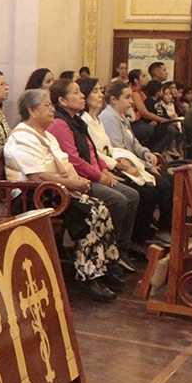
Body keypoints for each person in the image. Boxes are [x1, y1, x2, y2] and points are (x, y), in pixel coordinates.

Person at [4, 89, 125, 300]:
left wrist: (77, 181)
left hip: (54, 191)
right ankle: (86, 276)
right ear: (32, 110)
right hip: (33, 197)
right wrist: (71, 184)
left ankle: (102, 267)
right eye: (47, 105)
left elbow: (64, 164)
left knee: (101, 208)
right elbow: (37, 177)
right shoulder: (22, 136)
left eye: (52, 105)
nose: (52, 109)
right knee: (89, 213)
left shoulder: (47, 134)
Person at [46, 79, 140, 266]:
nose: (82, 96)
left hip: (92, 173)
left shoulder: (76, 121)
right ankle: (106, 253)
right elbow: (74, 160)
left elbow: (93, 151)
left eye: (81, 92)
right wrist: (99, 176)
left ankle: (120, 248)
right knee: (118, 199)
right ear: (62, 101)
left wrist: (104, 169)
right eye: (76, 92)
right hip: (78, 180)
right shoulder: (60, 124)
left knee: (132, 194)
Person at [79, 77, 173, 249]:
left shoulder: (106, 119)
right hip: (110, 167)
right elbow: (109, 151)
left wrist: (146, 154)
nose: (132, 101)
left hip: (116, 164)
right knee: (146, 192)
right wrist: (136, 166)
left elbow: (131, 143)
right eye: (127, 97)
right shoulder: (105, 118)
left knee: (164, 183)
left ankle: (143, 235)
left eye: (101, 90)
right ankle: (127, 241)